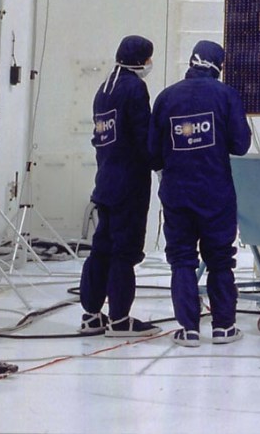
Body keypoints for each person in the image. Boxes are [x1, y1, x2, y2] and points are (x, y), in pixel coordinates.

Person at [148, 40, 251, 346]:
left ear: (191, 61)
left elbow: (152, 153)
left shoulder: (166, 97)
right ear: (218, 65)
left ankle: (188, 329)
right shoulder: (226, 95)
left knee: (182, 259)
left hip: (176, 192)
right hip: (215, 192)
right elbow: (240, 146)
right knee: (220, 258)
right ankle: (224, 327)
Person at [80, 35, 160, 336]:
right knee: (124, 251)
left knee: (101, 249)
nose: (150, 63)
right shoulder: (134, 88)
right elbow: (142, 136)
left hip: (105, 181)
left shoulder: (104, 89)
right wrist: (159, 163)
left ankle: (91, 315)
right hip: (129, 184)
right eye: (149, 58)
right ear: (140, 59)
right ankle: (119, 319)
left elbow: (100, 137)